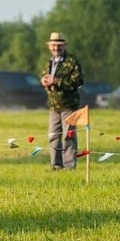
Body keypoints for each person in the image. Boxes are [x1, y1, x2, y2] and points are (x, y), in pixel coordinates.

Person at [40, 32, 85, 171]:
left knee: (68, 136)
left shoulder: (72, 61)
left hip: (69, 106)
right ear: (49, 47)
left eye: (59, 45)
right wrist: (44, 81)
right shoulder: (50, 62)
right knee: (53, 136)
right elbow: (45, 75)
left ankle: (69, 166)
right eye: (53, 45)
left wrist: (57, 81)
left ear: (64, 45)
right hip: (54, 106)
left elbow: (78, 81)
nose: (56, 48)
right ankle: (56, 164)